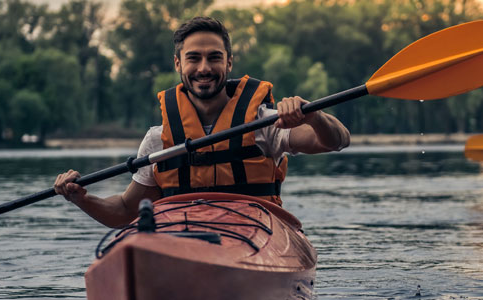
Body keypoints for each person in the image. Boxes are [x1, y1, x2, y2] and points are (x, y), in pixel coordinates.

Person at [53, 17, 350, 228]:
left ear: (229, 63)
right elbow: (126, 212)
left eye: (214, 58)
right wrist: (82, 198)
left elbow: (336, 140)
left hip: (257, 238)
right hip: (185, 241)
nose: (204, 68)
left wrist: (314, 116)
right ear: (178, 64)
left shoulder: (265, 124)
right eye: (193, 58)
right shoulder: (158, 140)